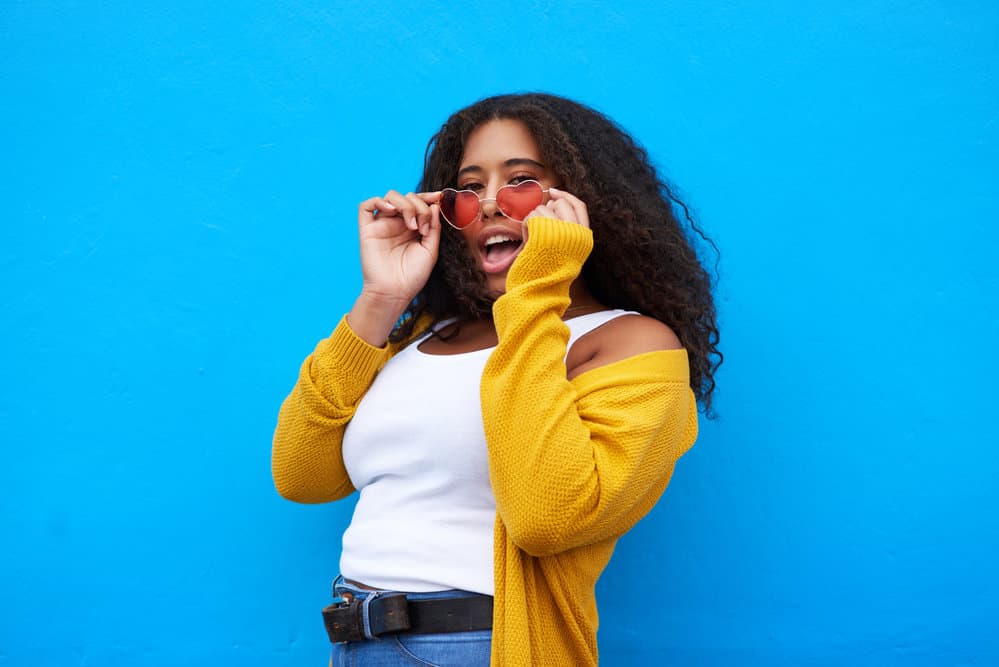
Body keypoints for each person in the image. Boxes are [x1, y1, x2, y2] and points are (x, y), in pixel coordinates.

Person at [272, 93, 720, 666]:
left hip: (481, 646)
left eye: (521, 182)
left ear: (585, 203)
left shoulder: (632, 342)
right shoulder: (426, 334)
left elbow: (547, 519)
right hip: (355, 644)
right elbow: (302, 475)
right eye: (468, 189)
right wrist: (382, 299)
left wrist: (538, 288)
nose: (488, 205)